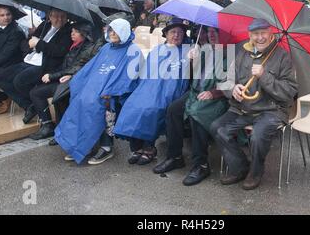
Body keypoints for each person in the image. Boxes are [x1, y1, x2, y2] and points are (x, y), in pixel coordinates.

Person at [210, 18, 297, 190]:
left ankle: (255, 171)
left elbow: (289, 92)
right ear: (250, 35)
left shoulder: (283, 57)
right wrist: (233, 88)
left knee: (257, 135)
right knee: (217, 127)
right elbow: (225, 81)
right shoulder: (242, 53)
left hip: (271, 110)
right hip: (243, 109)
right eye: (256, 34)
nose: (260, 38)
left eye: (263, 33)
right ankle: (240, 167)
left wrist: (264, 76)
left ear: (271, 33)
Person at [55, 19, 143, 164]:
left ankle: (106, 147)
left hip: (115, 93)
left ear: (125, 32)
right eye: (111, 30)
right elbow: (91, 67)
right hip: (95, 88)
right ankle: (83, 145)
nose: (112, 33)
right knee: (79, 101)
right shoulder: (106, 48)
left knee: (96, 105)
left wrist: (111, 91)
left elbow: (128, 78)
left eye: (116, 30)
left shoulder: (134, 52)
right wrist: (75, 78)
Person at [154, 27, 229, 186]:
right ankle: (175, 157)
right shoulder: (204, 51)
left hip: (218, 97)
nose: (212, 36)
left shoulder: (230, 54)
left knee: (197, 114)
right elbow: (190, 76)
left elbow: (232, 84)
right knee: (173, 109)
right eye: (210, 33)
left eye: (216, 33)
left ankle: (201, 165)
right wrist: (191, 61)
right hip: (195, 93)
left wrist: (214, 93)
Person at [114, 20, 190, 166]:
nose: (176, 35)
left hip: (169, 90)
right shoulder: (156, 50)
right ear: (166, 34)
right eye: (173, 32)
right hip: (149, 87)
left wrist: (192, 60)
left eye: (180, 33)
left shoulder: (187, 51)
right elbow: (146, 72)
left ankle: (149, 148)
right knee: (132, 104)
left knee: (152, 108)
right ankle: (137, 148)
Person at [0, 9, 72, 124]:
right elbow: (27, 42)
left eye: (63, 16)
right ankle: (30, 105)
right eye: (56, 16)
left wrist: (39, 44)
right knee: (0, 77)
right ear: (49, 17)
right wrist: (30, 43)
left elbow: (60, 51)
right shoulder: (45, 25)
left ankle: (34, 107)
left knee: (20, 80)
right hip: (30, 59)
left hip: (46, 65)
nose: (59, 19)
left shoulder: (68, 30)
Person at [28, 22, 96, 140]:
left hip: (73, 82)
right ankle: (47, 125)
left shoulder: (86, 48)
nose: (72, 34)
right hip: (63, 79)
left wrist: (53, 76)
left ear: (84, 34)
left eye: (76, 31)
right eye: (72, 31)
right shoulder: (74, 45)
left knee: (58, 98)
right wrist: (51, 74)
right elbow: (65, 66)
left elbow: (75, 67)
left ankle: (62, 132)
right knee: (36, 92)